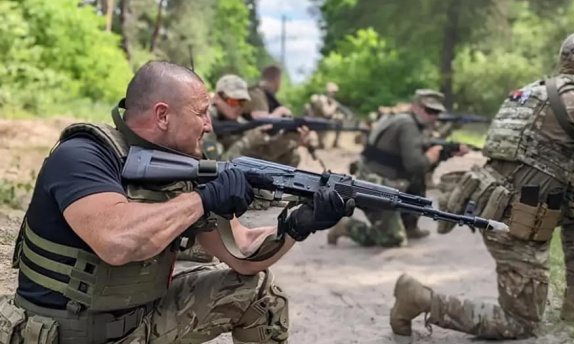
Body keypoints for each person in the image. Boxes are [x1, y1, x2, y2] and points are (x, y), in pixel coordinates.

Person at [2, 61, 353, 344]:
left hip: (140, 325)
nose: (208, 126)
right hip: (66, 335)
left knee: (257, 292)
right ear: (162, 115)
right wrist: (201, 199)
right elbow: (116, 242)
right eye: (201, 113)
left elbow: (242, 255)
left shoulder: (182, 165)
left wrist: (296, 225)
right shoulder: (83, 155)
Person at [389, 31, 574, 340]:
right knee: (520, 324)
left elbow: (539, 156)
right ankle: (419, 299)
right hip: (517, 220)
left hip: (495, 200)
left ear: (563, 61)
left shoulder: (532, 92)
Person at [327, 89, 468, 248]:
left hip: (380, 179)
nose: (433, 116)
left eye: (436, 112)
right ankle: (346, 226)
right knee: (393, 240)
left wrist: (445, 153)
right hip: (374, 185)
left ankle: (409, 226)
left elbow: (416, 160)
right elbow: (415, 164)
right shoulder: (408, 125)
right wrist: (433, 156)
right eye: (429, 111)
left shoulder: (405, 120)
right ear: (416, 107)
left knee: (416, 180)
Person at [305, 82, 348, 149]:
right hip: (316, 122)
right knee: (321, 145)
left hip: (323, 122)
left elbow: (331, 114)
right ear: (328, 91)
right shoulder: (322, 100)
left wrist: (337, 115)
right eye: (333, 92)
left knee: (340, 119)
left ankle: (336, 142)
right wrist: (334, 106)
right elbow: (326, 113)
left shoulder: (330, 101)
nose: (334, 94)